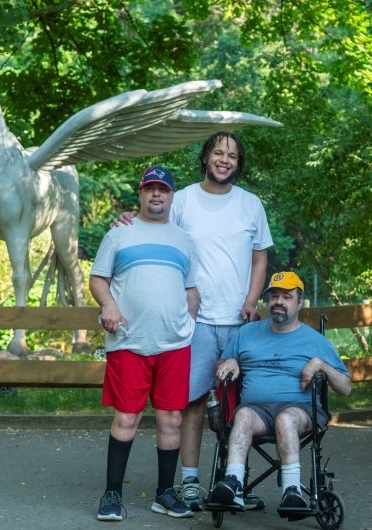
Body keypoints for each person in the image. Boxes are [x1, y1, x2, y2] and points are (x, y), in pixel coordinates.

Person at [113, 132, 272, 510]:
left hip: (239, 322)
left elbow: (260, 258)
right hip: (193, 321)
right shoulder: (182, 199)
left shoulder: (251, 205)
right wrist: (127, 217)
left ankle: (236, 483)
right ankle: (188, 482)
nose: (225, 159)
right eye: (218, 152)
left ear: (238, 163)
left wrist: (252, 299)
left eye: (232, 155)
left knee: (241, 406)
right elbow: (152, 223)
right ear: (206, 157)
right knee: (192, 403)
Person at [91, 166, 200, 522]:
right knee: (127, 417)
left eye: (163, 190)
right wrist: (109, 305)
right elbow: (98, 279)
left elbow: (191, 289)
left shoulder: (183, 239)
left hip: (174, 344)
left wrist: (189, 323)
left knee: (170, 418)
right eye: (150, 188)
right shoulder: (120, 233)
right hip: (129, 341)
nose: (157, 195)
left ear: (171, 196)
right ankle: (112, 495)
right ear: (140, 194)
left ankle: (164, 494)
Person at [208, 271, 352, 510]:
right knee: (242, 415)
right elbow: (219, 367)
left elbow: (346, 387)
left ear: (299, 302)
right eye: (274, 296)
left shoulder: (315, 341)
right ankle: (233, 482)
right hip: (256, 411)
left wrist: (321, 365)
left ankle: (291, 490)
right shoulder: (247, 333)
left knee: (285, 420)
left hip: (301, 411)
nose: (279, 302)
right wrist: (228, 363)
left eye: (287, 296)